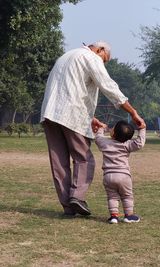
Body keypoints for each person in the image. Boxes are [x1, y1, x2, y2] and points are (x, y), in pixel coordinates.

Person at [40, 41, 145, 217]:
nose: (103, 63)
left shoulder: (66, 57)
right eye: (105, 60)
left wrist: (90, 117)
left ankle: (68, 206)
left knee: (59, 162)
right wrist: (132, 112)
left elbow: (69, 90)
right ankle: (77, 197)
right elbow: (108, 86)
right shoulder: (90, 57)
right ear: (100, 50)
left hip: (50, 113)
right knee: (84, 159)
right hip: (71, 115)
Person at [95, 120, 146, 224]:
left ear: (113, 133)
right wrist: (142, 129)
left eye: (113, 127)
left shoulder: (105, 143)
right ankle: (129, 215)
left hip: (108, 176)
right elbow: (140, 143)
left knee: (112, 196)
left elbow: (98, 138)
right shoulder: (127, 145)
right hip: (124, 176)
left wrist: (101, 128)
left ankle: (114, 217)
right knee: (127, 195)